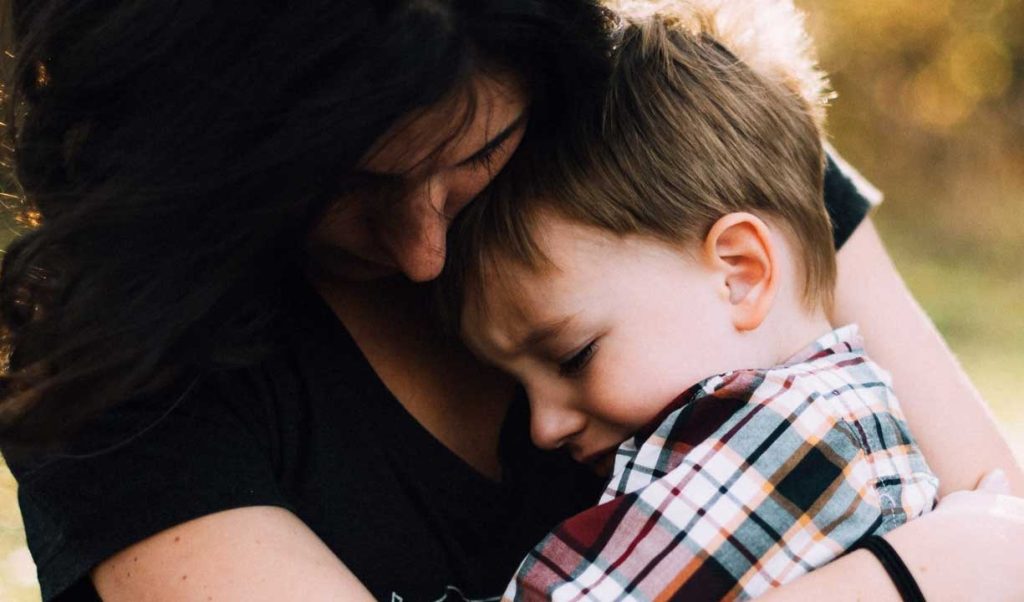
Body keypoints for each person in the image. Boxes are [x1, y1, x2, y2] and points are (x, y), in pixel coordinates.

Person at [0, 1, 1020, 601]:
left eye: (473, 157)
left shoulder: (675, 147)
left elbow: (1006, 521)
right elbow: (985, 548)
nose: (421, 252)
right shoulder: (112, 353)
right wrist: (927, 567)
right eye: (340, 190)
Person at [440, 7, 938, 598]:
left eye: (573, 356)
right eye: (518, 385)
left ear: (740, 274)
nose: (542, 427)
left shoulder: (791, 441)